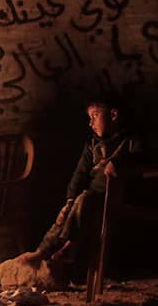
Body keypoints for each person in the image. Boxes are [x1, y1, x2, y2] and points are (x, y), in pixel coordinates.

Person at [17, 97, 149, 272]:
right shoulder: (93, 145)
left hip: (118, 195)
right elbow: (81, 171)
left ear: (114, 115)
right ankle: (44, 251)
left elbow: (141, 158)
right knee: (68, 210)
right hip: (93, 196)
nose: (91, 123)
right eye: (89, 118)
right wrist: (71, 194)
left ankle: (69, 245)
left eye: (95, 116)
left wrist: (117, 161)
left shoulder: (131, 140)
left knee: (83, 200)